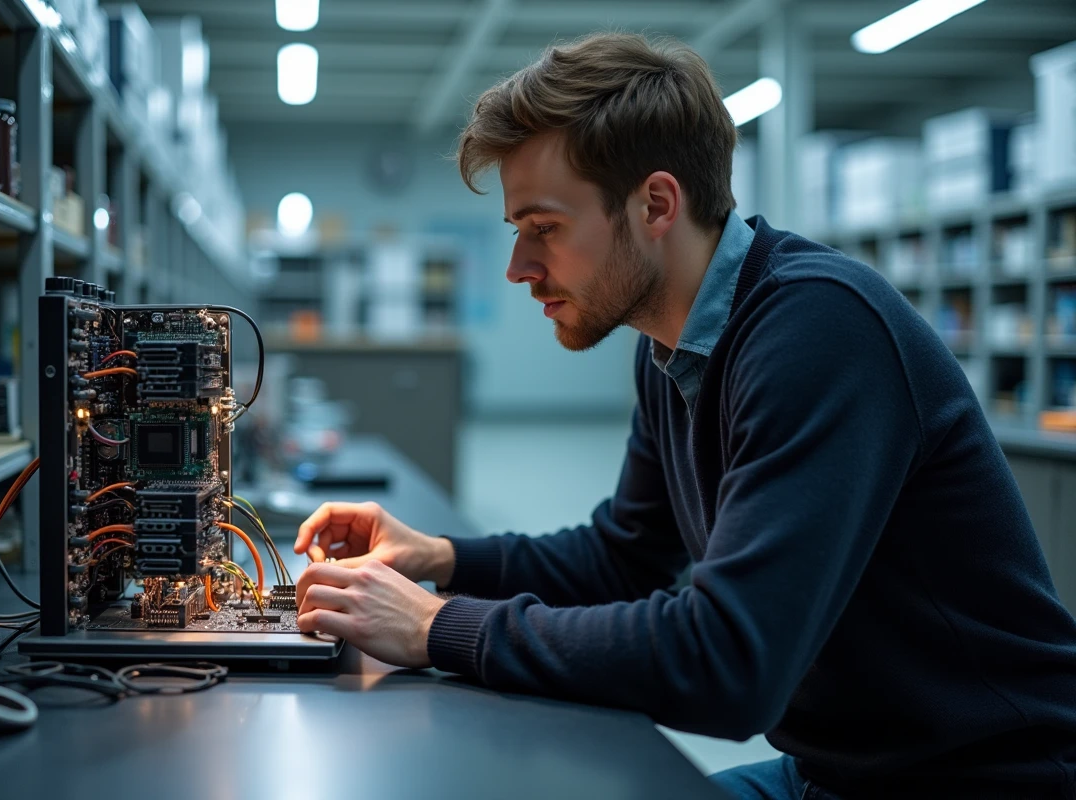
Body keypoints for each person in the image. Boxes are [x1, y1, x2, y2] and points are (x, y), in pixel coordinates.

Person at [292, 32, 1076, 798]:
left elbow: (729, 663)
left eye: (544, 229)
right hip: (835, 771)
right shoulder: (671, 346)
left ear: (655, 204)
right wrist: (439, 558)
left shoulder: (819, 330)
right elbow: (623, 559)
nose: (519, 268)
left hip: (984, 777)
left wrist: (438, 627)